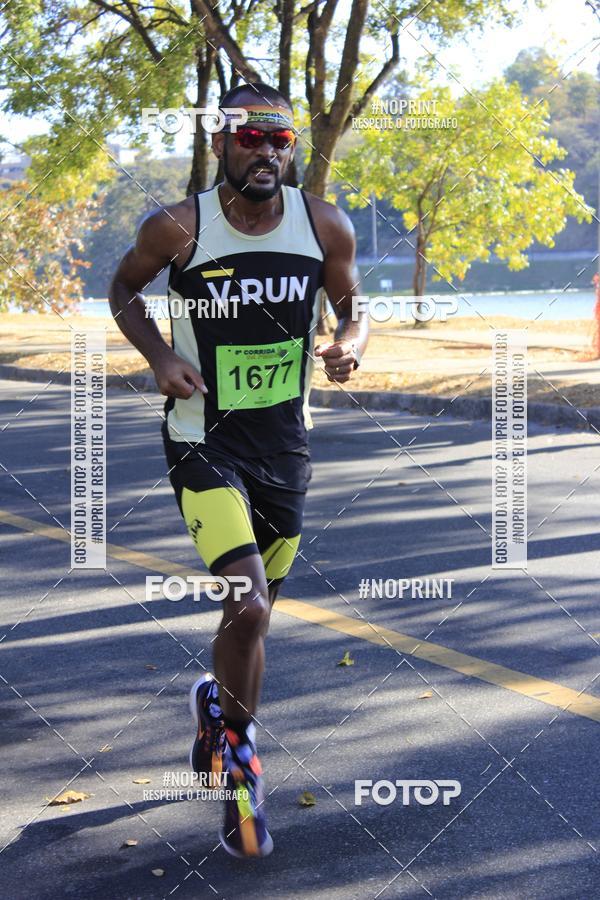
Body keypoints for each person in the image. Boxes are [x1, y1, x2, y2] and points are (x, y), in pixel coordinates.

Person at [109, 82, 368, 858]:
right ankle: (239, 770)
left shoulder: (323, 225)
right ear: (221, 143)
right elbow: (123, 288)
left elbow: (355, 305)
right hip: (202, 442)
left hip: (286, 449)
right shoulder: (177, 227)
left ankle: (215, 716)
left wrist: (351, 343)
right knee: (249, 604)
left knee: (248, 618)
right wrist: (159, 358)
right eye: (250, 137)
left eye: (280, 138)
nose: (267, 149)